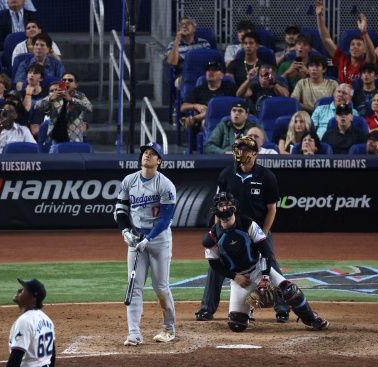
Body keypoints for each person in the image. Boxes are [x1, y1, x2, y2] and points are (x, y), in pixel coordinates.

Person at [201, 192, 327, 331]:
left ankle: (311, 318)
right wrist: (235, 277)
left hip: (259, 268)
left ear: (235, 206)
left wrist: (265, 277)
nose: (225, 208)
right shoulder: (212, 237)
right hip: (239, 278)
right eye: (221, 205)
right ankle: (248, 311)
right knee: (237, 325)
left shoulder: (248, 224)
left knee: (291, 292)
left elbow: (266, 252)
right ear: (215, 208)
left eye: (228, 204)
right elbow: (214, 264)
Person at [196, 136, 290, 322]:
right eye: (238, 149)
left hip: (256, 230)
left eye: (246, 150)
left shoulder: (266, 176)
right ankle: (207, 309)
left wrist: (262, 232)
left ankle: (282, 308)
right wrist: (217, 230)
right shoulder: (226, 175)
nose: (241, 153)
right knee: (216, 266)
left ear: (255, 153)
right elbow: (218, 206)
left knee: (270, 264)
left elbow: (272, 209)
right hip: (229, 229)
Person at [114, 142, 177, 346]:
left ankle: (169, 329)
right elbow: (121, 210)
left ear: (159, 161)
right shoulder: (129, 181)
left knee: (160, 287)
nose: (147, 156)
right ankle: (134, 333)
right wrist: (126, 231)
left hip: (159, 240)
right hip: (136, 238)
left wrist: (148, 239)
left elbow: (165, 219)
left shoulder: (165, 185)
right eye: (145, 153)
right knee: (134, 287)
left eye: (152, 154)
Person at [315, 0, 375, 85]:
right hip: (343, 95)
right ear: (349, 48)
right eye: (353, 44)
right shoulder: (342, 59)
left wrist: (364, 32)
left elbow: (372, 55)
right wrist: (319, 16)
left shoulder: (366, 64)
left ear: (365, 50)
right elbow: (326, 40)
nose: (355, 47)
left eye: (359, 45)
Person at [31, 72, 92, 145]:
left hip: (74, 140)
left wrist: (71, 100)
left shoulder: (80, 96)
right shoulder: (55, 95)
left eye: (70, 80)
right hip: (56, 140)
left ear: (75, 85)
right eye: (64, 80)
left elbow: (89, 108)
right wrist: (51, 98)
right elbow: (37, 106)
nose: (66, 82)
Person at [180, 61, 238, 130]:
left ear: (222, 75)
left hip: (228, 119)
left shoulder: (230, 87)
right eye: (209, 70)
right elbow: (183, 108)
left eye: (214, 70)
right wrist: (195, 106)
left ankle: (195, 119)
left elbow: (241, 101)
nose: (211, 72)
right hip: (208, 122)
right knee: (205, 121)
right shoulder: (199, 90)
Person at [165, 16, 211, 88]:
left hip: (201, 72)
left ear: (194, 29)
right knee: (185, 80)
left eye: (188, 23)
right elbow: (172, 62)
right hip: (182, 74)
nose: (184, 26)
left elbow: (207, 60)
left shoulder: (204, 43)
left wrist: (183, 60)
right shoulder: (173, 45)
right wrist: (177, 40)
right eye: (182, 24)